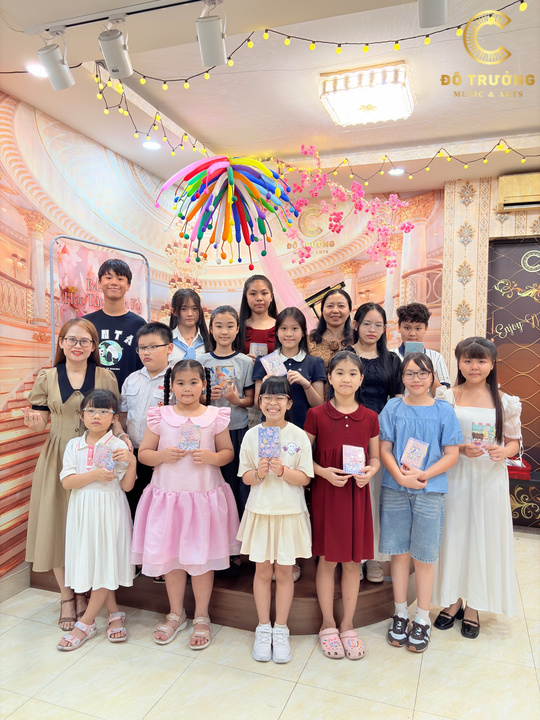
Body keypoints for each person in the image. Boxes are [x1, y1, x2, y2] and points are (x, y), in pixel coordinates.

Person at [130, 360, 240, 650]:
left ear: (203, 384)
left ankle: (202, 615)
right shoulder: (160, 415)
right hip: (169, 499)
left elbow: (228, 452)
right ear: (171, 386)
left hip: (203, 499)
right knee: (173, 558)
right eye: (180, 383)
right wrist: (162, 455)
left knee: (203, 560)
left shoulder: (215, 415)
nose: (187, 388)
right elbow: (144, 454)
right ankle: (175, 613)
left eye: (193, 382)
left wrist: (213, 458)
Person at [23, 318, 119, 632]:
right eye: (72, 340)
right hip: (58, 457)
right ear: (62, 343)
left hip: (97, 457)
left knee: (91, 525)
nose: (78, 346)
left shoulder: (105, 376)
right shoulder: (48, 377)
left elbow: (115, 419)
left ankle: (86, 590)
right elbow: (40, 420)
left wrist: (123, 440)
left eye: (85, 341)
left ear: (94, 347)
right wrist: (33, 422)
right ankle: (67, 596)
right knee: (57, 525)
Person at [433, 337, 521, 638]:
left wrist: (503, 451)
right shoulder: (447, 397)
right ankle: (453, 600)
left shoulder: (505, 401)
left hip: (489, 479)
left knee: (483, 537)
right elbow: (438, 438)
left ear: (492, 364)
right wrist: (460, 448)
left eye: (481, 361)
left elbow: (513, 442)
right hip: (455, 476)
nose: (474, 366)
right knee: (455, 535)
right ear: (458, 363)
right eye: (468, 360)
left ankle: (474, 605)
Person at [379, 353, 462, 653]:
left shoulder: (443, 410)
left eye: (422, 373)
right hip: (395, 489)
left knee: (424, 556)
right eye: (410, 373)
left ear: (432, 377)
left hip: (430, 489)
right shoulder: (392, 407)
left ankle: (422, 618)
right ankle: (400, 613)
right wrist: (400, 477)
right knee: (399, 553)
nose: (416, 379)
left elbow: (451, 454)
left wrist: (424, 474)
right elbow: (384, 448)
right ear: (401, 377)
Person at [304, 351, 380, 660]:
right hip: (327, 495)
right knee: (327, 560)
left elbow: (375, 458)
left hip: (356, 495)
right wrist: (322, 472)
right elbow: (302, 458)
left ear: (361, 379)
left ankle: (348, 625)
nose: (346, 378)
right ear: (329, 378)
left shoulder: (370, 417)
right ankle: (327, 624)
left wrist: (370, 472)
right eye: (339, 373)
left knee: (352, 563)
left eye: (352, 373)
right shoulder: (316, 414)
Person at [238, 376, 313, 664]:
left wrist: (283, 471)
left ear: (289, 403)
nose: (273, 402)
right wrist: (259, 472)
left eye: (280, 397)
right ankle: (263, 628)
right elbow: (245, 477)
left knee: (283, 572)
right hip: (261, 510)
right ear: (259, 402)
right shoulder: (252, 436)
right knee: (261, 571)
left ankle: (280, 629)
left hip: (289, 511)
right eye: (267, 397)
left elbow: (305, 478)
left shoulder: (298, 436)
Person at [57, 389, 136, 651]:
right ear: (82, 416)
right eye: (91, 410)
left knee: (106, 559)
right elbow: (68, 481)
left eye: (104, 411)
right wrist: (94, 475)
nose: (96, 416)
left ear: (114, 418)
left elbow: (127, 486)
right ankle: (114, 612)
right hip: (82, 510)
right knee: (96, 561)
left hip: (110, 509)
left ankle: (86, 622)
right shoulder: (73, 445)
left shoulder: (118, 446)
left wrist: (132, 462)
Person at [347, 302, 403, 583]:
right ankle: (354, 555)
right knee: (355, 495)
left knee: (377, 496)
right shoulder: (346, 356)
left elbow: (398, 400)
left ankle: (373, 557)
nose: (372, 330)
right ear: (356, 324)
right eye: (367, 323)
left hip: (381, 436)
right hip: (350, 433)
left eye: (378, 325)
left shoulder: (392, 360)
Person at [200, 306, 254, 519]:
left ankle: (236, 525)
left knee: (236, 480)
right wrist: (206, 397)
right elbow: (193, 398)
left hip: (236, 428)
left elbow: (251, 400)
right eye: (219, 326)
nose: (224, 331)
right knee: (211, 480)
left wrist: (236, 400)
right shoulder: (202, 362)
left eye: (230, 326)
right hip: (208, 430)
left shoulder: (245, 362)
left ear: (237, 329)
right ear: (211, 330)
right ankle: (214, 524)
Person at [119, 322, 174, 519]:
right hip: (133, 453)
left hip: (161, 457)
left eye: (152, 346)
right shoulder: (131, 379)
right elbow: (123, 415)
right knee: (133, 507)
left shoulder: (177, 380)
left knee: (159, 511)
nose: (146, 352)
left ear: (169, 348)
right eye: (142, 347)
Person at [253, 307, 326, 430]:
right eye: (283, 328)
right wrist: (264, 386)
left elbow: (318, 404)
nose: (289, 334)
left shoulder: (315, 363)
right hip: (270, 431)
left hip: (304, 429)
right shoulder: (264, 362)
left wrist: (306, 385)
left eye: (295, 328)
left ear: (303, 332)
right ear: (277, 332)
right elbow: (257, 405)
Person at [84, 259, 146, 390]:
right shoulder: (86, 323)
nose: (114, 282)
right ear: (99, 283)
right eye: (108, 277)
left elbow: (144, 365)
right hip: (91, 395)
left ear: (128, 285)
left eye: (120, 279)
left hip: (128, 395)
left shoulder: (139, 324)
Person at [392, 303, 450, 391]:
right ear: (399, 327)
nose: (412, 334)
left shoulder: (436, 357)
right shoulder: (389, 356)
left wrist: (429, 374)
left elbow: (445, 394)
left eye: (418, 328)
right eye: (407, 328)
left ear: (426, 329)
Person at [308, 289, 354, 377]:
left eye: (341, 306)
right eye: (330, 306)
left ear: (349, 311)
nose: (335, 310)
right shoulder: (308, 341)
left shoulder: (358, 340)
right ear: (322, 310)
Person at [239, 274, 278, 359]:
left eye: (264, 293)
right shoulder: (237, 328)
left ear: (271, 296)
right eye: (253, 294)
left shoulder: (281, 326)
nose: (259, 298)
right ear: (246, 297)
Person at [168, 288, 211, 364]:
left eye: (194, 309)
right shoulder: (166, 341)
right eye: (184, 309)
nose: (190, 314)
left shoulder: (209, 341)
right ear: (174, 311)